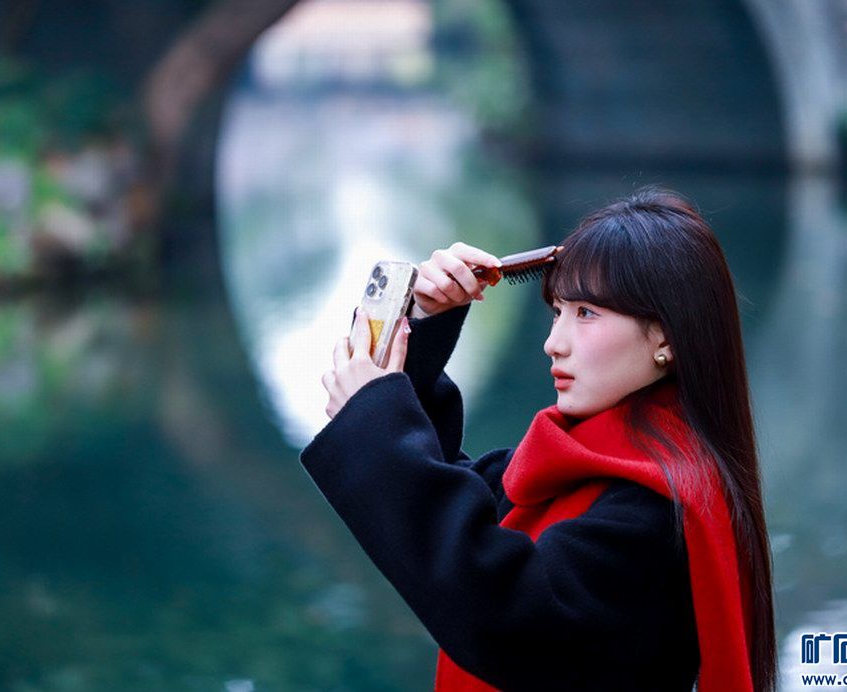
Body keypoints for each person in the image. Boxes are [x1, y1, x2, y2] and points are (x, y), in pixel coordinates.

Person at [300, 185, 777, 692]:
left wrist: (375, 423)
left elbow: (503, 612)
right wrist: (424, 323)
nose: (553, 343)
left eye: (586, 313)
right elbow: (452, 487)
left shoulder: (655, 509)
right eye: (557, 311)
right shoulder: (590, 464)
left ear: (666, 337)